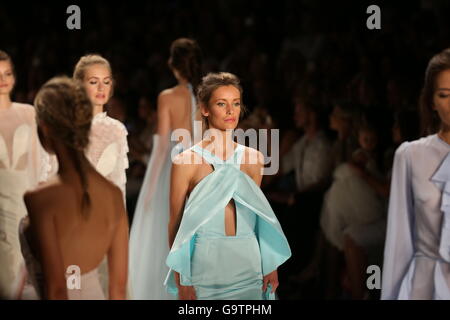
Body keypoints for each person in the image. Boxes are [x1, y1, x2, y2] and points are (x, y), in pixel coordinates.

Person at [165, 72, 291, 300]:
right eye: (221, 104)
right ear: (204, 109)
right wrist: (180, 274)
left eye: (236, 103)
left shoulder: (254, 159)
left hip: (249, 262)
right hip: (205, 265)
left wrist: (271, 265)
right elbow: (175, 223)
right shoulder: (185, 161)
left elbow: (258, 216)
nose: (231, 111)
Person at [19, 76, 128, 300]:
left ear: (45, 127)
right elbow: (118, 290)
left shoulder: (40, 198)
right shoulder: (113, 195)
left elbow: (57, 290)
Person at [129, 38, 203, 299]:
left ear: (172, 64)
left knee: (164, 231)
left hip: (173, 170)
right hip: (201, 168)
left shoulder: (168, 97)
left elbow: (161, 147)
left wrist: (149, 190)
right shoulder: (203, 95)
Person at [382, 48, 450, 299]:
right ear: (432, 101)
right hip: (424, 286)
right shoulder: (410, 156)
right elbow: (398, 243)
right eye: (444, 95)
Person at [73, 54, 129, 297]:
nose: (101, 88)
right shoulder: (67, 127)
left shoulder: (117, 129)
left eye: (106, 81)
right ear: (79, 84)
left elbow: (119, 187)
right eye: (93, 81)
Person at [0, 50, 52, 299]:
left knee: (29, 268)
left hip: (26, 198)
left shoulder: (28, 113)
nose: (3, 79)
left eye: (8, 73)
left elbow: (41, 158)